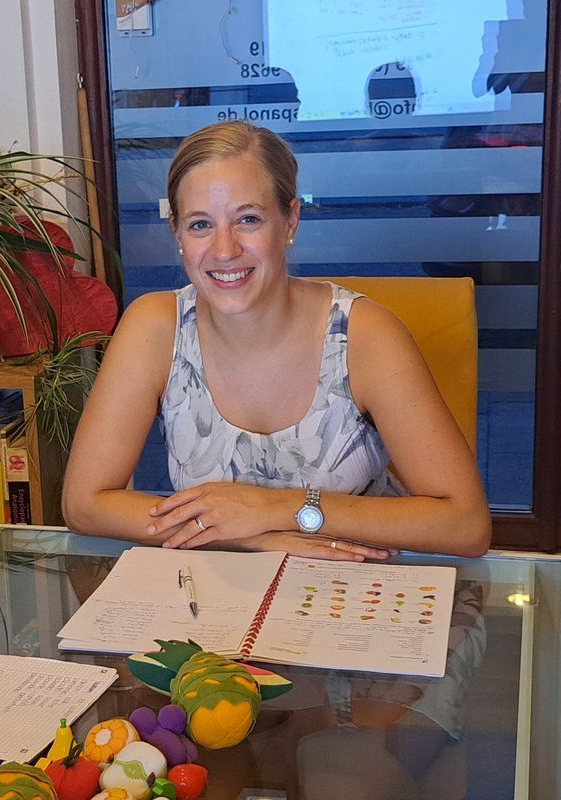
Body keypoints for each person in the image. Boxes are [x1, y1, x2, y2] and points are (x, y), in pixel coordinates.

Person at [63, 120, 489, 559]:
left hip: (353, 585)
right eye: (200, 225)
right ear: (177, 233)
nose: (224, 250)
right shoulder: (155, 325)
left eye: (248, 219)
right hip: (217, 588)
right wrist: (246, 536)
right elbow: (83, 504)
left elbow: (465, 524)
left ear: (290, 220)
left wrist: (275, 509)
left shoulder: (365, 334)